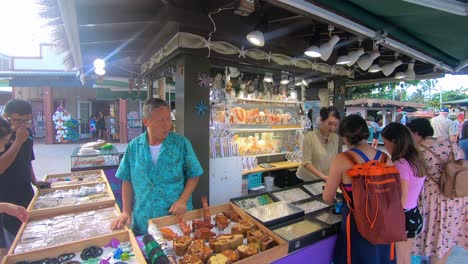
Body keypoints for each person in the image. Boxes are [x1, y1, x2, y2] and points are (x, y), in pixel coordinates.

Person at [110, 98, 203, 235]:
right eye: (161, 121)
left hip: (176, 220)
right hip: (144, 220)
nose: (167, 125)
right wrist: (126, 211)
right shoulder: (134, 147)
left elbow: (194, 173)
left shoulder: (181, 144)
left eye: (169, 119)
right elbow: (126, 179)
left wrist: (183, 199)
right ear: (146, 122)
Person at [323, 114, 396, 264]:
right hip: (384, 222)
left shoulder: (342, 159)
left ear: (345, 137)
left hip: (357, 225)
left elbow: (327, 197)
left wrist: (336, 202)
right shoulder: (385, 158)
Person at [406, 118, 467, 264]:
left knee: (435, 240)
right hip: (457, 197)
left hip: (433, 200)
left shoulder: (418, 152)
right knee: (447, 238)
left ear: (416, 133)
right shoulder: (451, 144)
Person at [0, 99, 48, 240]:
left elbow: (27, 161)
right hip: (6, 198)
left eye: (27, 120)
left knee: (28, 234)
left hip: (25, 192)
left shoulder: (27, 134)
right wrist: (17, 142)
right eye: (18, 120)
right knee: (12, 240)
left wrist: (35, 181)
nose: (23, 125)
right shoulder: (4, 136)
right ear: (6, 117)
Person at [381, 123, 429, 264]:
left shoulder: (401, 164)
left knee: (400, 260)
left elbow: (401, 198)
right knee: (405, 257)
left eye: (385, 142)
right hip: (413, 214)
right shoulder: (416, 160)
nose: (386, 147)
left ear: (394, 141)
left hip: (403, 217)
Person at [296, 106, 340, 181]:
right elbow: (306, 163)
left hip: (324, 179)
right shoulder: (310, 137)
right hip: (306, 179)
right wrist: (323, 176)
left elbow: (333, 159)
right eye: (330, 123)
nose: (332, 128)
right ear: (321, 121)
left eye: (336, 125)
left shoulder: (335, 138)